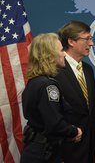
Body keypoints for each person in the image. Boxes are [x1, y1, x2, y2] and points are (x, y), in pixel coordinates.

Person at [21, 33, 82, 163]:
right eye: (61, 50)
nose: (64, 54)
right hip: (43, 153)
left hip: (38, 150)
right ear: (49, 55)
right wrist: (74, 131)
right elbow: (55, 124)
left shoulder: (34, 82)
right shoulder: (48, 85)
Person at [55, 20, 95, 163]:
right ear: (71, 41)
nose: (91, 43)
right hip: (65, 151)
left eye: (91, 39)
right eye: (87, 39)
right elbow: (53, 116)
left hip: (89, 150)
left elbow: (94, 112)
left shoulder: (88, 70)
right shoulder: (55, 70)